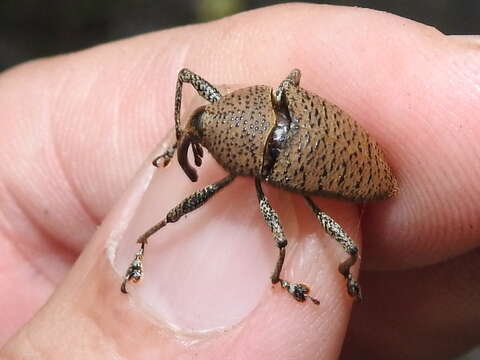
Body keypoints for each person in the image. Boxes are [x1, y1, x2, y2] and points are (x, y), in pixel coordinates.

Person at [1, 4, 479, 359]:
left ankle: (179, 254)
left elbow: (190, 82)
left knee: (288, 240)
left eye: (200, 139)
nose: (196, 142)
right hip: (302, 129)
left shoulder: (258, 172)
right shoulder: (272, 103)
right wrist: (179, 137)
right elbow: (194, 81)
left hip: (342, 166)